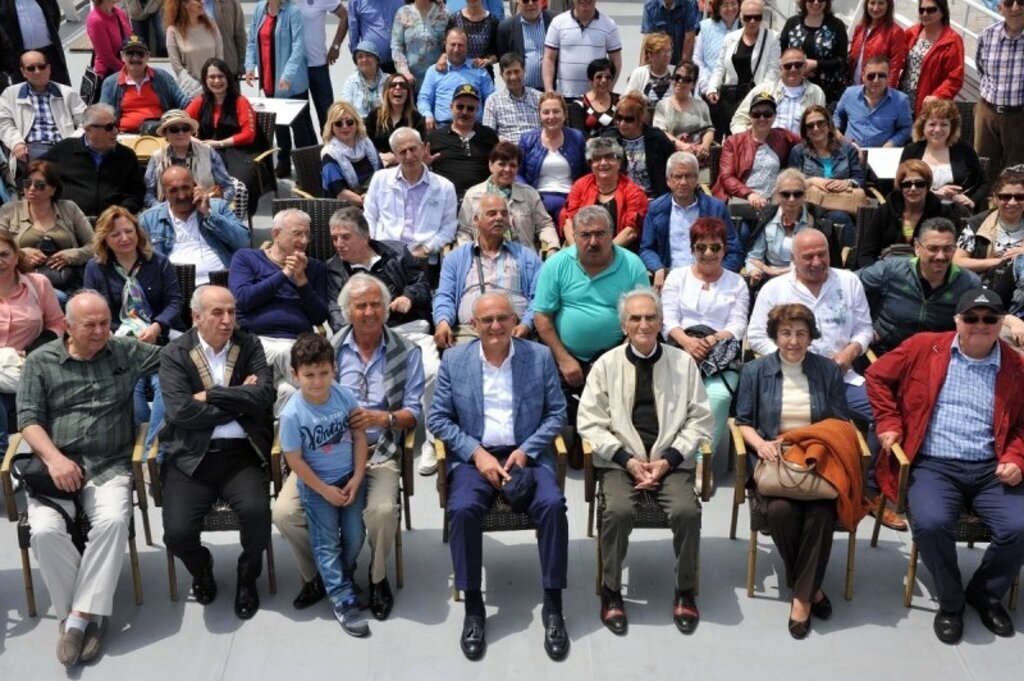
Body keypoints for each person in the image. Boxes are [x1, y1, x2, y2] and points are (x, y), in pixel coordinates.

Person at [865, 287, 1024, 644]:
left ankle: (984, 594)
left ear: (1002, 323)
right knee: (933, 524)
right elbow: (877, 377)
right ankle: (951, 601)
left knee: (1020, 526)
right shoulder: (925, 346)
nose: (980, 325)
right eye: (971, 317)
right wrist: (890, 422)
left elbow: (1022, 425)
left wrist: (1016, 457)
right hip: (933, 464)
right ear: (957, 321)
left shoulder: (1017, 367)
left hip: (990, 467)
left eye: (989, 319)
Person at [17, 290, 162, 667]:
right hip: (55, 468)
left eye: (105, 323)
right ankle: (84, 615)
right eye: (91, 325)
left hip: (109, 463)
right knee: (44, 532)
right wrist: (54, 459)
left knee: (114, 520)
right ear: (67, 326)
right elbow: (28, 419)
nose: (101, 332)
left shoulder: (122, 351)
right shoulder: (40, 361)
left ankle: (77, 619)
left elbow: (172, 362)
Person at [428, 291, 570, 661]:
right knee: (461, 511)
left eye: (502, 318)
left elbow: (557, 413)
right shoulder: (455, 360)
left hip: (525, 453)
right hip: (477, 455)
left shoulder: (537, 357)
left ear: (513, 321)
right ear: (473, 325)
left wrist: (527, 451)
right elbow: (438, 418)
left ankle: (553, 603)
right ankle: (473, 606)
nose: (495, 326)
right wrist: (477, 454)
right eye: (486, 320)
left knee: (554, 506)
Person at [273, 273, 425, 614]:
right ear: (346, 311)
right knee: (284, 513)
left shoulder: (406, 350)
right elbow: (306, 403)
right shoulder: (330, 351)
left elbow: (413, 412)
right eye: (361, 305)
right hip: (322, 453)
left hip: (380, 450)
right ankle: (318, 576)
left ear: (387, 309)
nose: (369, 311)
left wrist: (381, 418)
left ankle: (376, 578)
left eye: (376, 304)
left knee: (381, 512)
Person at [579, 287, 713, 635]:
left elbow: (700, 419)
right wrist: (627, 460)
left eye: (650, 317)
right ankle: (611, 591)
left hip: (671, 460)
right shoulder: (605, 365)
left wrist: (668, 460)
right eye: (634, 318)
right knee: (619, 511)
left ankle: (685, 589)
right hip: (622, 463)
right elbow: (590, 422)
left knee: (686, 512)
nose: (643, 324)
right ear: (624, 325)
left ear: (661, 321)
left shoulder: (683, 363)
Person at [735, 303, 864, 639]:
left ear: (811, 336)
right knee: (779, 511)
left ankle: (801, 598)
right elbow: (743, 422)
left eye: (800, 333)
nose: (793, 340)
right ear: (776, 335)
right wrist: (761, 444)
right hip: (774, 457)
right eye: (786, 333)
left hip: (817, 457)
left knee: (820, 513)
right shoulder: (754, 371)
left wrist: (814, 444)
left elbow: (840, 423)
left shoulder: (827, 371)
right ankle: (811, 591)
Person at [159, 285, 275, 621]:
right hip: (191, 458)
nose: (227, 321)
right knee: (177, 535)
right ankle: (202, 568)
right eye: (217, 313)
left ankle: (247, 576)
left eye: (232, 312)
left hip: (241, 455)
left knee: (257, 517)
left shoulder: (249, 344)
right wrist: (240, 399)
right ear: (196, 317)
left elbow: (263, 396)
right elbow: (181, 413)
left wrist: (210, 396)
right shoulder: (175, 353)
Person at [533, 205, 649, 468]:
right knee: (550, 391)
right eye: (585, 235)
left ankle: (607, 442)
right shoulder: (556, 264)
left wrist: (615, 357)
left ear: (612, 234)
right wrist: (563, 358)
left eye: (600, 234)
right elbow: (542, 317)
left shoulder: (631, 265)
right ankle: (575, 436)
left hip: (618, 350)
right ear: (574, 235)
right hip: (564, 351)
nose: (593, 241)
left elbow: (644, 316)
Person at [279, 332, 369, 636]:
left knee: (355, 534)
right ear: (295, 375)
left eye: (324, 373)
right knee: (326, 542)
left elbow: (358, 436)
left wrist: (357, 477)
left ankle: (341, 576)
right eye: (309, 375)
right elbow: (295, 460)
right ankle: (342, 597)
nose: (317, 382)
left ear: (334, 370)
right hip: (318, 487)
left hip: (349, 479)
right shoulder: (292, 414)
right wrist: (323, 489)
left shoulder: (344, 396)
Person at [84, 205, 182, 449]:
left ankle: (150, 453)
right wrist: (123, 333)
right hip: (119, 342)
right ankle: (143, 446)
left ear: (138, 232)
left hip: (159, 339)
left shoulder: (157, 262)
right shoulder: (95, 268)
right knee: (132, 389)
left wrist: (158, 326)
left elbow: (174, 301)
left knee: (164, 386)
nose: (124, 238)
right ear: (105, 239)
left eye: (129, 231)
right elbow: (94, 309)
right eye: (115, 234)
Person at [661, 218, 747, 473]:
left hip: (720, 348)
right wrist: (688, 342)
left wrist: (709, 341)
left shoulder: (737, 283)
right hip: (679, 342)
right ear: (692, 249)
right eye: (701, 247)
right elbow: (667, 319)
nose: (708, 253)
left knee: (718, 397)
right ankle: (668, 453)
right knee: (670, 392)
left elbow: (738, 325)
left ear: (724, 249)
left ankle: (702, 460)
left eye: (715, 247)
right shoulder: (677, 277)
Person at [229, 208, 329, 413]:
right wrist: (284, 274)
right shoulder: (247, 258)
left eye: (307, 235)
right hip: (255, 342)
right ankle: (330, 402)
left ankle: (280, 442)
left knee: (288, 392)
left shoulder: (314, 268)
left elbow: (319, 316)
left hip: (297, 341)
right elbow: (242, 300)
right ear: (275, 234)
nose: (303, 240)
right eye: (297, 233)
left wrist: (302, 281)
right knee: (289, 354)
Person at [858, 217, 980, 354]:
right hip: (884, 351)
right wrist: (861, 329)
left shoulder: (969, 283)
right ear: (917, 247)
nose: (940, 256)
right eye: (933, 249)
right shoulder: (890, 270)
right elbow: (849, 284)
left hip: (935, 357)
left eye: (947, 249)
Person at [435, 194, 544, 347]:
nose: (499, 218)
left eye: (504, 214)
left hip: (515, 331)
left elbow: (539, 298)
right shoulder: (455, 258)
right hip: (470, 332)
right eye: (492, 213)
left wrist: (526, 324)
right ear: (476, 220)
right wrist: (443, 321)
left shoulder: (527, 257)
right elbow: (445, 295)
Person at [0, 231, 64, 454]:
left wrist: (35, 350)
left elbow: (57, 323)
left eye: (4, 254)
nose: (0, 262)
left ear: (17, 256)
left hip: (29, 367)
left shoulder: (38, 284)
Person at [640, 152, 742, 288]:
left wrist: (718, 277)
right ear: (668, 180)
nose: (683, 182)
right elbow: (646, 249)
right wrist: (657, 267)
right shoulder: (656, 208)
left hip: (709, 279)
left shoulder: (715, 208)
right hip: (670, 278)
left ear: (697, 179)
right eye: (677, 176)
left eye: (689, 176)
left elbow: (734, 251)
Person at [363, 127, 458, 271]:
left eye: (413, 149)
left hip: (423, 258)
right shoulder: (380, 179)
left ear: (423, 148)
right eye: (402, 152)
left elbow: (449, 228)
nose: (409, 156)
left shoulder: (445, 187)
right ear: (394, 154)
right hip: (385, 255)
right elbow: (370, 216)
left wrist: (427, 248)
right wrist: (373, 246)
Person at [0, 160, 95, 305]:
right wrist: (21, 254)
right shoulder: (9, 211)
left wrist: (73, 254)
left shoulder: (69, 208)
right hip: (24, 281)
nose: (31, 189)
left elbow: (95, 245)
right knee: (59, 299)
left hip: (71, 280)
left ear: (53, 189)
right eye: (27, 183)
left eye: (40, 185)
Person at [244, 0, 317, 179]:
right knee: (278, 125)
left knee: (300, 128)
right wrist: (249, 66)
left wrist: (288, 75)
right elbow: (252, 40)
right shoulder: (260, 9)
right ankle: (283, 163)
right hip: (269, 78)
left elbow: (298, 46)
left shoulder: (293, 11)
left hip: (291, 82)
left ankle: (307, 170)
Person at [140, 166, 250, 285]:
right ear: (165, 193)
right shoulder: (149, 219)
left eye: (185, 188)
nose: (181, 196)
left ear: (195, 186)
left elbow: (243, 241)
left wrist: (209, 213)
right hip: (174, 288)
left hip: (220, 283)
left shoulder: (217, 207)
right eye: (173, 190)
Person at [40, 104, 146, 216]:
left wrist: (122, 213)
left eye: (116, 125)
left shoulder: (126, 156)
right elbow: (36, 171)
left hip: (112, 224)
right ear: (89, 129)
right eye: (109, 127)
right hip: (69, 221)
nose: (115, 131)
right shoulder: (65, 149)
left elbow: (136, 193)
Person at [711, 92, 801, 222]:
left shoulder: (783, 137)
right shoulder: (734, 141)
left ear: (775, 116)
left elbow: (808, 143)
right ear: (749, 116)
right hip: (740, 202)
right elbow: (726, 177)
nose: (762, 118)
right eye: (756, 114)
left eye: (767, 113)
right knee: (743, 232)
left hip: (770, 204)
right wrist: (749, 194)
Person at [186, 58, 260, 212]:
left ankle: (233, 223)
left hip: (239, 152)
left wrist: (219, 143)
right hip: (205, 152)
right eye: (211, 77)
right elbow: (182, 124)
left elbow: (249, 135)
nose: (217, 81)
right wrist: (196, 141)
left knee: (239, 186)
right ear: (205, 80)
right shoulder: (200, 101)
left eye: (221, 76)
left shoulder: (240, 101)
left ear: (228, 78)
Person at [0, 52, 86, 184]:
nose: (37, 71)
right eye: (31, 68)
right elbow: (4, 123)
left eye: (41, 66)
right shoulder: (10, 94)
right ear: (23, 72)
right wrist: (16, 142)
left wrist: (72, 142)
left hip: (62, 146)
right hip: (30, 149)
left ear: (49, 69)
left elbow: (86, 121)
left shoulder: (67, 93)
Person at [457, 142, 558, 252]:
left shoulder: (529, 194)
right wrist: (468, 256)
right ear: (491, 165)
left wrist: (552, 247)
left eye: (512, 165)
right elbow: (464, 232)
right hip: (484, 260)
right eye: (502, 164)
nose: (507, 169)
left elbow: (544, 225)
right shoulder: (473, 196)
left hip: (524, 260)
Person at [705, 0, 782, 139]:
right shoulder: (730, 38)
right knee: (730, 137)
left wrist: (760, 95)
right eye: (748, 17)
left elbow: (773, 72)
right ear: (741, 17)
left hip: (756, 97)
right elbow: (720, 67)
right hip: (730, 98)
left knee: (750, 136)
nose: (752, 21)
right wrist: (712, 89)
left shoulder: (772, 38)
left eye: (757, 17)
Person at [854, 159, 951, 268]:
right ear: (900, 187)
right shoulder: (885, 211)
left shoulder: (943, 213)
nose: (913, 188)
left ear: (927, 186)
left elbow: (950, 252)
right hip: (886, 272)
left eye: (919, 184)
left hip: (928, 273)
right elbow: (866, 253)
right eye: (907, 184)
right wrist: (876, 275)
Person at [787, 105, 864, 240]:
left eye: (820, 123)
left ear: (829, 125)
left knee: (839, 217)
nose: (816, 129)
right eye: (810, 126)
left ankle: (847, 258)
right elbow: (790, 184)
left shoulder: (847, 150)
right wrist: (812, 181)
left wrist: (847, 183)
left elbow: (860, 178)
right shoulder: (798, 151)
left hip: (841, 204)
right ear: (805, 131)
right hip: (810, 205)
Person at [745, 169, 833, 286]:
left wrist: (774, 271)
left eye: (797, 194)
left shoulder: (818, 221)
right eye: (785, 194)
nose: (791, 199)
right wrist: (755, 271)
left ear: (805, 194)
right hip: (771, 281)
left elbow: (821, 262)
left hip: (807, 279)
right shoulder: (766, 218)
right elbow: (754, 257)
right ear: (777, 194)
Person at [900, 99, 988, 214]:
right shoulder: (911, 150)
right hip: (918, 211)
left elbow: (984, 183)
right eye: (932, 124)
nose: (937, 129)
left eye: (944, 124)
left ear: (952, 127)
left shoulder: (964, 149)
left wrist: (972, 200)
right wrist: (934, 194)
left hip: (956, 214)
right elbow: (900, 185)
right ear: (923, 126)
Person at [562, 137, 649, 249]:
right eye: (597, 158)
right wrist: (578, 251)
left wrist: (604, 252)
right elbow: (568, 221)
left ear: (619, 161)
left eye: (609, 157)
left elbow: (631, 231)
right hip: (581, 250)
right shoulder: (580, 185)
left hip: (618, 250)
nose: (603, 163)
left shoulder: (634, 191)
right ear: (590, 164)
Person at [953, 168, 1024, 303]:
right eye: (1006, 197)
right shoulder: (977, 224)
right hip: (985, 291)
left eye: (1020, 197)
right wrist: (998, 261)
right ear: (995, 198)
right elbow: (958, 261)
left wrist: (1021, 259)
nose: (1012, 202)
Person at [518, 93, 588, 228]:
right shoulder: (527, 139)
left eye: (556, 111)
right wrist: (530, 195)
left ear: (564, 114)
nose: (551, 117)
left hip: (571, 198)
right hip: (537, 198)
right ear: (539, 115)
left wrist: (578, 197)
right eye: (546, 112)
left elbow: (586, 172)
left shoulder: (577, 137)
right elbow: (517, 173)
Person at [144, 109, 235, 209]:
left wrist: (214, 207)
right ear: (166, 134)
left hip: (205, 211)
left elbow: (228, 188)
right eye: (174, 129)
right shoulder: (157, 157)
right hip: (167, 212)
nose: (181, 133)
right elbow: (148, 193)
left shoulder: (208, 152)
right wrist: (160, 209)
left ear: (191, 131)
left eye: (185, 128)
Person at [98, 34, 190, 133]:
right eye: (130, 53)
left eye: (140, 53)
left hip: (160, 135)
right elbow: (103, 115)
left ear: (148, 56)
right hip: (123, 136)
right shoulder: (111, 83)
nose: (135, 58)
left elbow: (183, 102)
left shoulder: (162, 77)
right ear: (122, 56)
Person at [975, 1, 1024, 178]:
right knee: (983, 166)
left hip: (1019, 116)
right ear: (1000, 8)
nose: (1015, 8)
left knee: (1017, 170)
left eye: (1021, 2)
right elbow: (981, 69)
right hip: (987, 112)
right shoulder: (987, 35)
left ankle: (1014, 205)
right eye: (1009, 2)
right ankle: (986, 204)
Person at [427, 84, 499, 202]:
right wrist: (424, 164)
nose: (464, 112)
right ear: (451, 107)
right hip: (447, 200)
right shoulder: (434, 137)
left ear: (477, 110)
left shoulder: (489, 135)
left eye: (470, 108)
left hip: (483, 200)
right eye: (460, 107)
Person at [730, 48, 825, 135]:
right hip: (764, 148)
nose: (793, 69)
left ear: (805, 66)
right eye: (788, 66)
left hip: (800, 149)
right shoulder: (762, 90)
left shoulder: (816, 92)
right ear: (780, 68)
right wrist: (749, 142)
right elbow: (739, 120)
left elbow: (821, 125)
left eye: (798, 65)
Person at [416, 28, 495, 130]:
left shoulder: (479, 70)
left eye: (460, 45)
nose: (456, 49)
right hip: (442, 128)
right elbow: (424, 98)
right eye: (453, 44)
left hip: (475, 128)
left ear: (467, 46)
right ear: (445, 44)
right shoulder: (433, 71)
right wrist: (427, 115)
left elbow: (491, 99)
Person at [599, 92, 675, 198]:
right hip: (621, 198)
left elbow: (673, 167)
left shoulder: (657, 138)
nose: (622, 123)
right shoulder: (608, 139)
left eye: (629, 119)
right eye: (619, 118)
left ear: (640, 120)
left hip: (653, 198)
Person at [543, 0, 623, 98]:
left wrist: (608, 89)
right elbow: (549, 58)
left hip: (596, 98)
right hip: (565, 96)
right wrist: (549, 89)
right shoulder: (558, 22)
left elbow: (616, 61)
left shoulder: (609, 25)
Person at [832, 56, 913, 149]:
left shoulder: (900, 100)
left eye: (881, 76)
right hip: (849, 150)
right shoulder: (849, 94)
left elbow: (906, 128)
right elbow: (837, 115)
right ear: (863, 76)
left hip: (881, 153)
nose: (876, 80)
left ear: (889, 76)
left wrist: (892, 143)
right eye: (871, 76)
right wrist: (838, 133)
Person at [900, 0, 964, 116]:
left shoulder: (952, 41)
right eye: (921, 10)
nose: (925, 14)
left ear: (942, 12)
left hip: (929, 107)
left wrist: (938, 96)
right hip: (903, 101)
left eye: (931, 10)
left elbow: (955, 78)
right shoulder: (911, 33)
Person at [778, 0, 848, 104]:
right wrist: (799, 67)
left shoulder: (837, 25)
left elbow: (842, 61)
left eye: (820, 0)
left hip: (826, 91)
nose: (816, 3)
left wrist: (816, 64)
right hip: (794, 87)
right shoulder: (792, 23)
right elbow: (780, 53)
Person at [319, 101, 381, 207]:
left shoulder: (367, 144)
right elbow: (340, 193)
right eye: (338, 123)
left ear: (357, 123)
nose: (344, 127)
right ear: (332, 127)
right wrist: (370, 202)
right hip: (346, 208)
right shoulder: (329, 154)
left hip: (374, 198)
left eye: (349, 122)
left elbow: (381, 173)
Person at [299, 0, 348, 130]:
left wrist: (336, 45)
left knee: (327, 116)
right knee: (301, 119)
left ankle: (330, 149)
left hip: (318, 65)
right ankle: (309, 150)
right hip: (295, 68)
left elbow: (345, 15)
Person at [0, 0, 70, 87]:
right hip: (21, 58)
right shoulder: (3, 3)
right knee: (26, 96)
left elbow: (55, 16)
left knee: (61, 90)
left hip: (50, 54)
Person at [653, 61, 714, 158]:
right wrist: (683, 146)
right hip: (671, 157)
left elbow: (709, 130)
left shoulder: (702, 105)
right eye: (677, 77)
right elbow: (661, 133)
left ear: (693, 84)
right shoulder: (662, 106)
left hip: (699, 157)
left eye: (687, 79)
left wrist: (705, 146)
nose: (680, 81)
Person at [164, 0, 223, 99]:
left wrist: (214, 85)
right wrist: (200, 90)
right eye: (198, 0)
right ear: (185, 3)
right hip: (191, 93)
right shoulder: (173, 31)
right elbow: (177, 68)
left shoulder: (211, 24)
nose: (203, 2)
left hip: (215, 90)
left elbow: (219, 57)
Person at [364, 74, 425, 167]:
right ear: (386, 91)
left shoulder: (416, 118)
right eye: (393, 85)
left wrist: (398, 158)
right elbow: (365, 142)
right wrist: (380, 155)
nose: (398, 88)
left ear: (408, 92)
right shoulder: (374, 115)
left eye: (403, 85)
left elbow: (420, 146)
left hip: (407, 165)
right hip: (379, 164)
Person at [482, 53, 541, 144]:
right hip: (508, 153)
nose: (513, 77)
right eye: (508, 73)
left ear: (524, 71)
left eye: (517, 71)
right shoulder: (493, 101)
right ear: (501, 75)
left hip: (536, 151)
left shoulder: (539, 97)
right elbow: (488, 135)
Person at [495, 0, 552, 91]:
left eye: (534, 0)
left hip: (551, 91)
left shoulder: (555, 21)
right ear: (517, 2)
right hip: (521, 92)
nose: (530, 4)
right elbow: (504, 61)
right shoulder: (505, 28)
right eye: (525, 1)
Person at [391, 0, 448, 89]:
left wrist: (444, 56)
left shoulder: (444, 14)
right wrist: (404, 72)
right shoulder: (403, 13)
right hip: (410, 82)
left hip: (438, 79)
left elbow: (451, 44)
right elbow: (396, 46)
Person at [848, 0, 906, 87]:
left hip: (874, 90)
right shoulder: (860, 27)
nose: (875, 8)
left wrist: (885, 94)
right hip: (852, 86)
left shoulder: (895, 32)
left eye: (881, 3)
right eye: (872, 3)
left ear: (888, 6)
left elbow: (895, 68)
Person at [692, 0, 740, 98]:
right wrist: (705, 85)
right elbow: (697, 59)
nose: (730, 8)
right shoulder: (706, 27)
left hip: (736, 92)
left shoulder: (745, 27)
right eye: (725, 5)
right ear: (717, 7)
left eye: (733, 4)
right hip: (707, 89)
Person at [566, 58, 620, 140]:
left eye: (608, 77)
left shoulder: (620, 101)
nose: (604, 80)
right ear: (590, 79)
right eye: (599, 77)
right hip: (589, 149)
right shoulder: (580, 104)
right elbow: (578, 133)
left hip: (616, 149)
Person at [444, 0, 500, 76]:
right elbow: (445, 47)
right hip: (458, 74)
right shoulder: (454, 19)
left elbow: (498, 53)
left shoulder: (493, 21)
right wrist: (443, 58)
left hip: (483, 74)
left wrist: (489, 60)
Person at [347, 0, 405, 73]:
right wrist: (358, 59)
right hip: (370, 64)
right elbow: (353, 32)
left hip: (399, 63)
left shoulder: (399, 1)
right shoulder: (357, 2)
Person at [86, 0, 134, 82]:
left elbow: (131, 39)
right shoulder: (95, 21)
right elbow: (107, 57)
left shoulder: (120, 13)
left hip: (128, 69)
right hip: (108, 76)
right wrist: (131, 71)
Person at [624, 32, 675, 107]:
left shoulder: (676, 72)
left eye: (668, 50)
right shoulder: (639, 73)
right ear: (650, 54)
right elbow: (626, 101)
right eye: (661, 51)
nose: (666, 55)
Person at [641, 0, 698, 65]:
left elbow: (689, 39)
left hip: (680, 56)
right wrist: (641, 69)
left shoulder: (689, 4)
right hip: (658, 61)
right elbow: (648, 40)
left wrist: (683, 67)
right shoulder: (650, 6)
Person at [340, 41, 387, 119]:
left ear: (377, 60)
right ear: (356, 62)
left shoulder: (388, 80)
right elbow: (345, 108)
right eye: (360, 57)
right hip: (359, 125)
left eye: (368, 56)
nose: (364, 60)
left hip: (384, 123)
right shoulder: (351, 82)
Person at [211, 0, 248, 79]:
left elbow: (240, 34)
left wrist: (242, 63)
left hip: (228, 66)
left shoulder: (232, 3)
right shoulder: (195, 4)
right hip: (200, 69)